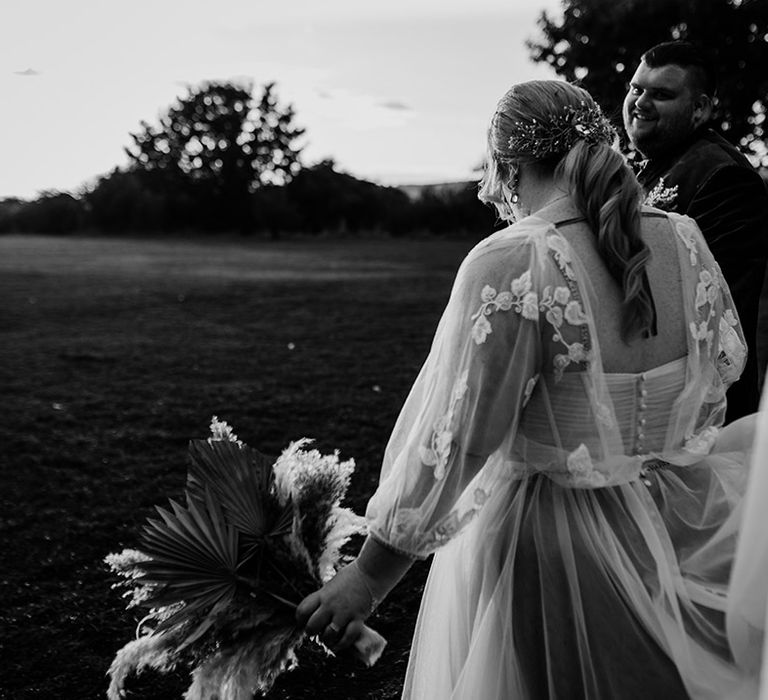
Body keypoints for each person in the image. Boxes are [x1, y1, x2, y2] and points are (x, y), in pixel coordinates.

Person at [296, 80, 762, 699]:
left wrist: (368, 579)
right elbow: (718, 379)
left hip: (554, 549)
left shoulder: (513, 260)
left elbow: (458, 442)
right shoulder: (683, 238)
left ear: (507, 167)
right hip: (677, 520)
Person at [623, 40, 768, 422]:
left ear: (700, 108)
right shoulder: (651, 166)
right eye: (636, 88)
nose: (640, 102)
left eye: (661, 94)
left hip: (701, 413)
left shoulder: (725, 177)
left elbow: (721, 311)